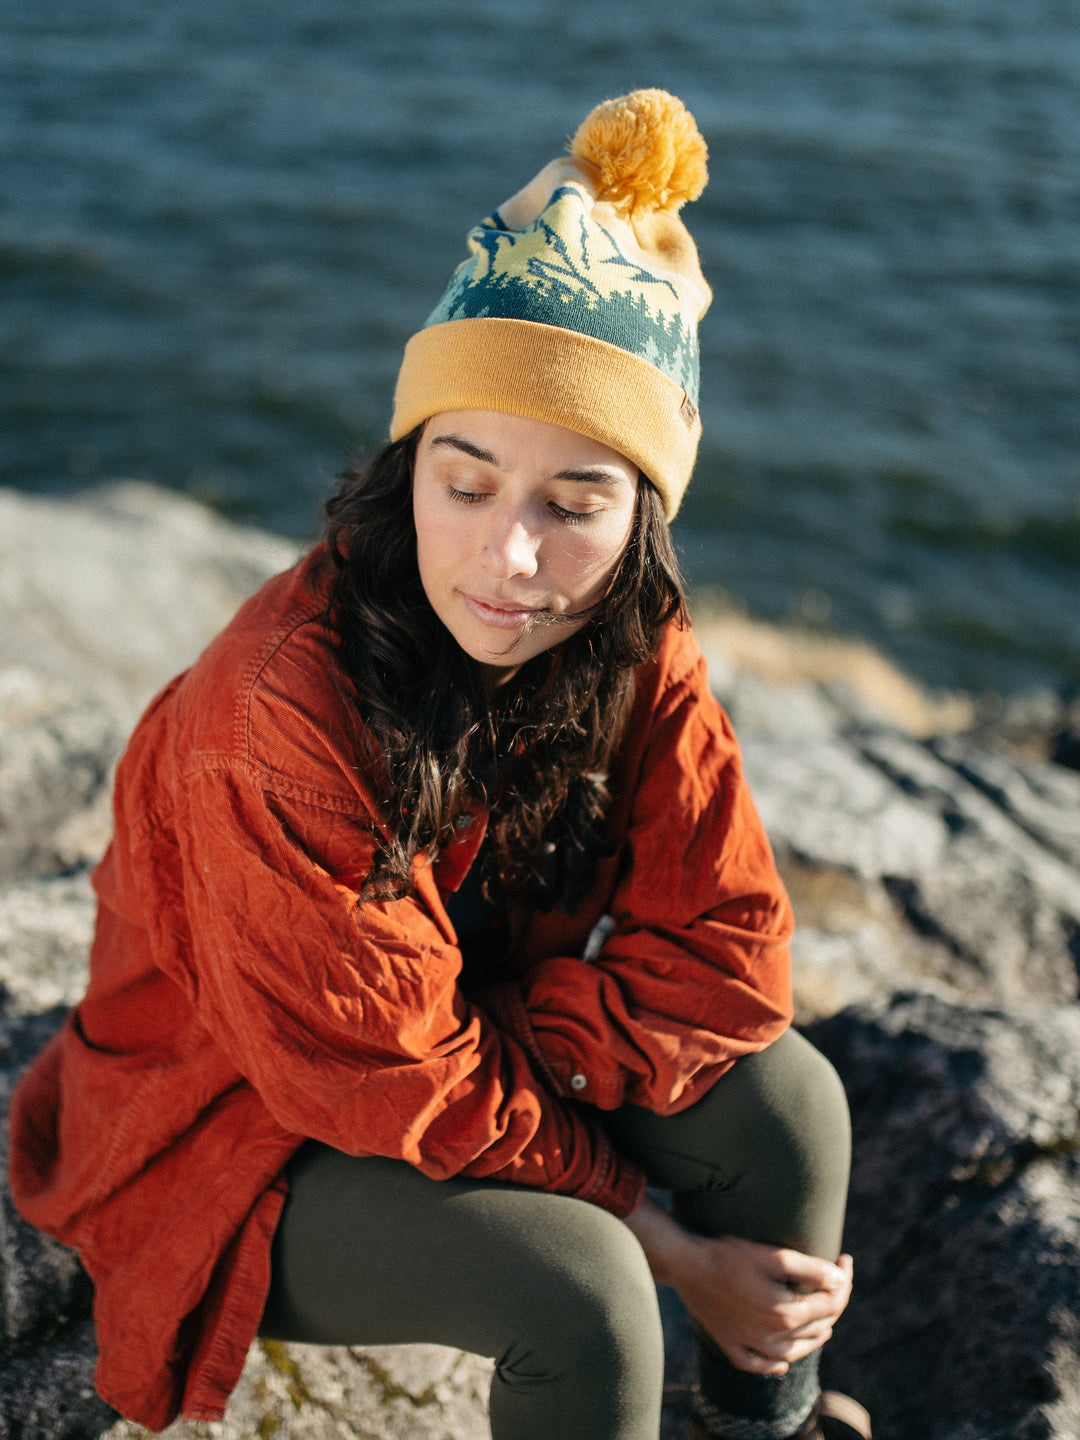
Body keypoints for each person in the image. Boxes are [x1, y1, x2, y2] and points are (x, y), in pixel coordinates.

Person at [9, 90, 871, 1440]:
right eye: (464, 484)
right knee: (585, 1289)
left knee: (793, 1112)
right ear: (407, 468)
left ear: (641, 520)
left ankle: (759, 1422)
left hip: (457, 1040)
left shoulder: (633, 634)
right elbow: (381, 1074)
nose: (507, 558)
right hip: (244, 1121)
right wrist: (676, 1245)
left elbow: (730, 945)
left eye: (574, 506)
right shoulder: (276, 714)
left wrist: (534, 1043)